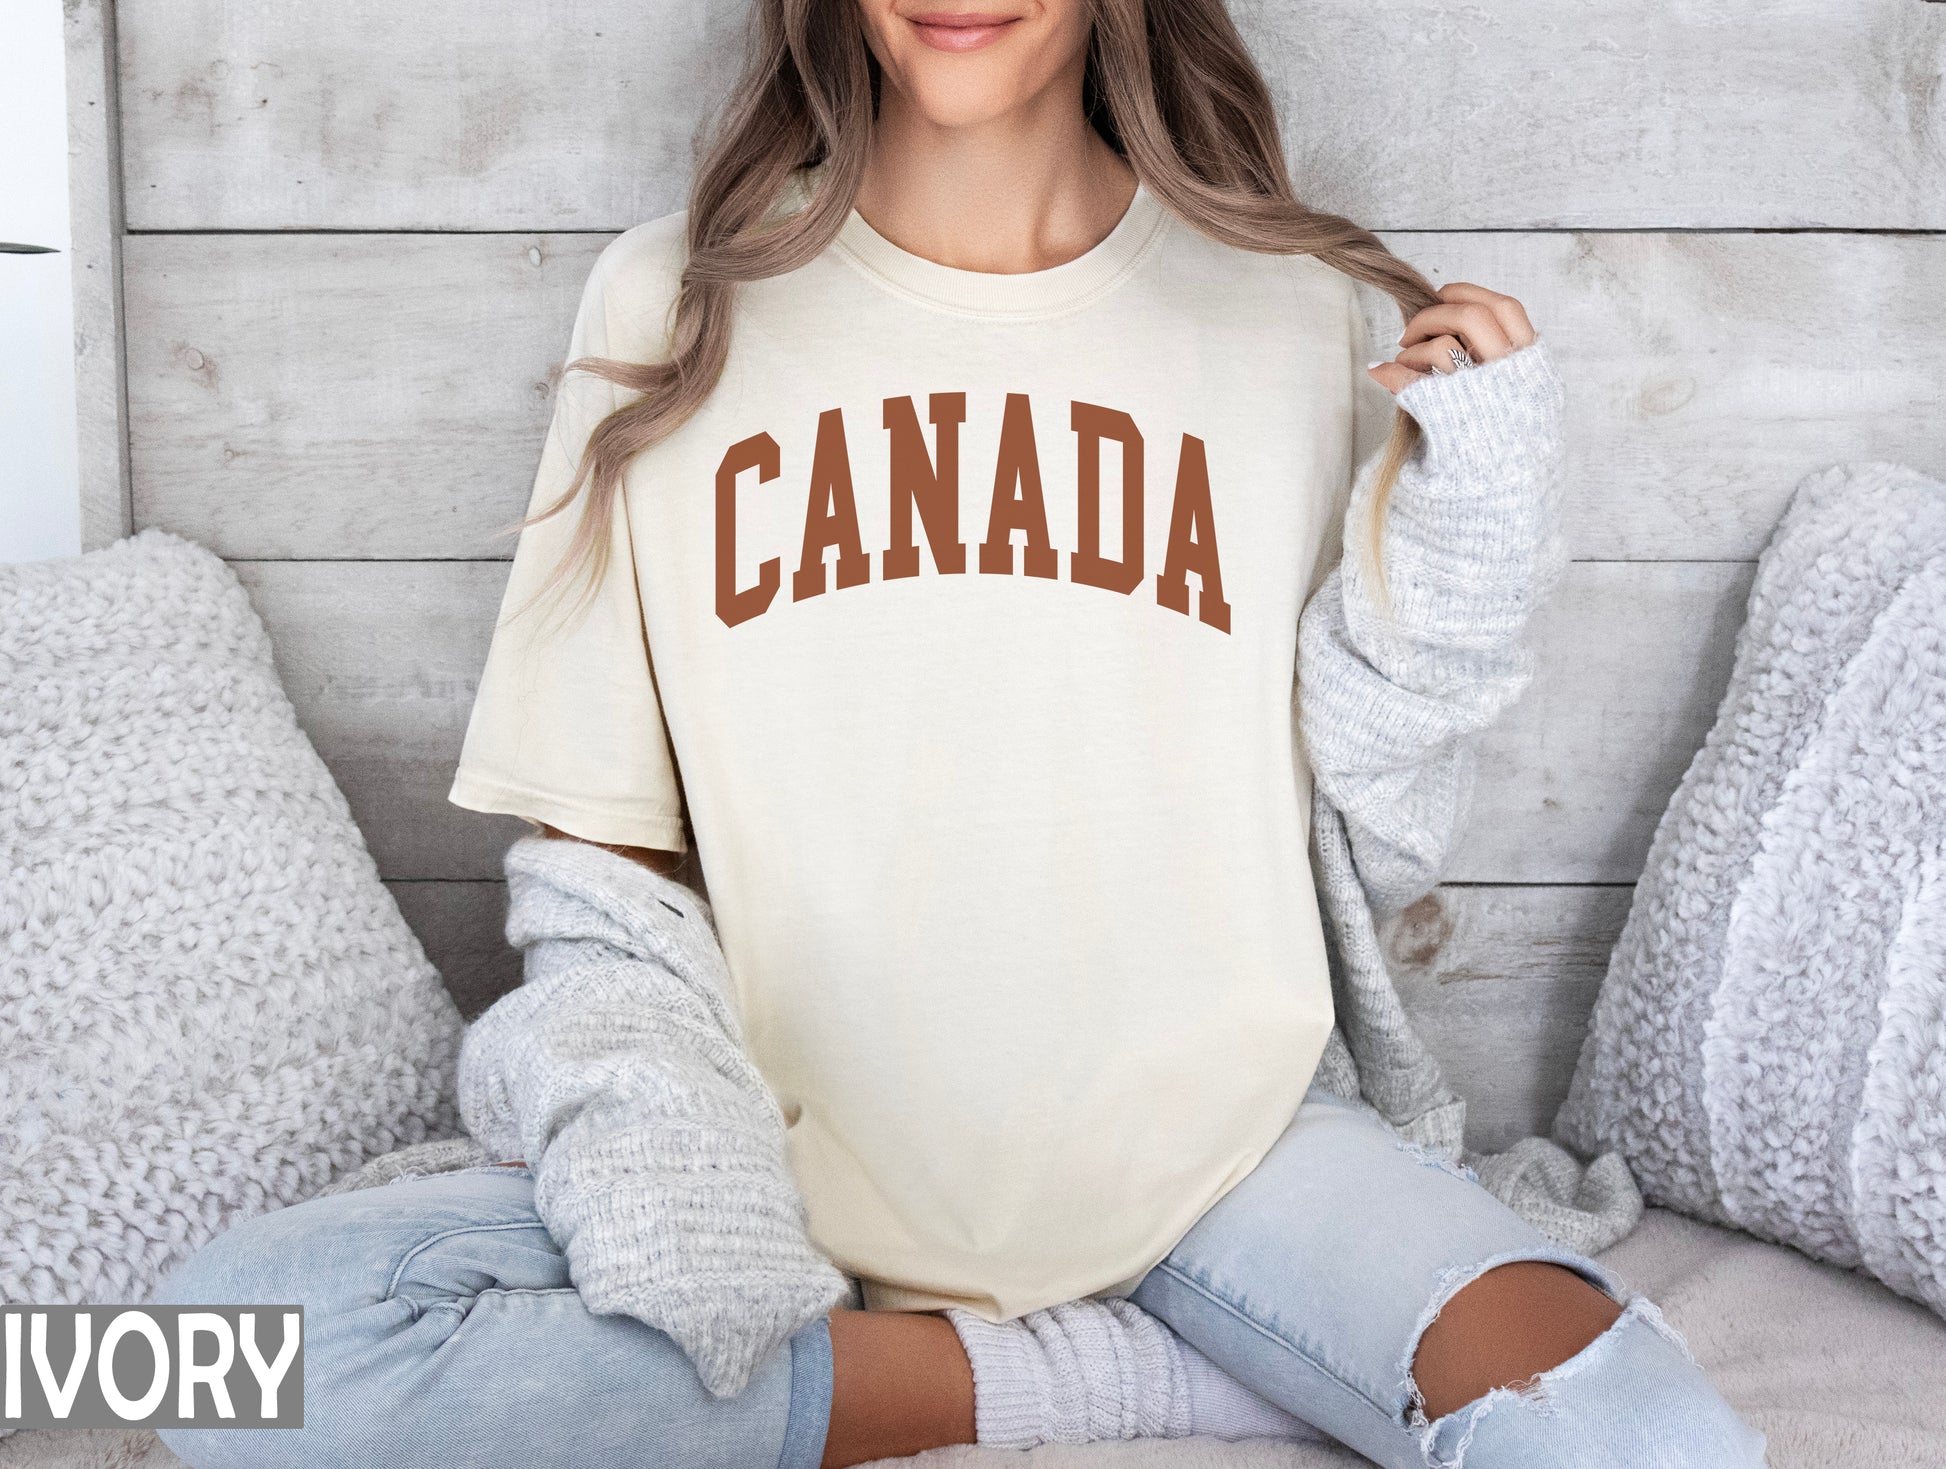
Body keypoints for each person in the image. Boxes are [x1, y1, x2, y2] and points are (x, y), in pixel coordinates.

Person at [155, 3, 1770, 1466]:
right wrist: (663, 1170)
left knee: (1644, 1438)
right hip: (778, 1168)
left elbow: (1375, 797)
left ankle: (1094, 1344)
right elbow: (598, 851)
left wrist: (1474, 549)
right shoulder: (673, 302)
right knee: (172, 1366)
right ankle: (1107, 1372)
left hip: (1224, 1164)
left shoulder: (1303, 310)